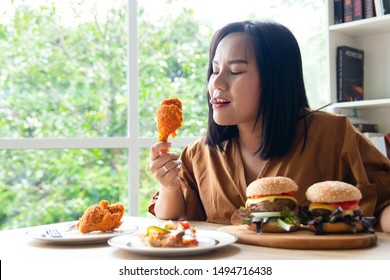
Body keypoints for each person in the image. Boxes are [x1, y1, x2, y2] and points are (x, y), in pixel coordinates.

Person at [148, 20, 390, 232]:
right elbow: (171, 218)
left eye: (235, 71)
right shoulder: (199, 153)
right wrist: (168, 186)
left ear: (276, 79)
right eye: (215, 70)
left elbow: (383, 201)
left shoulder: (334, 135)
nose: (217, 83)